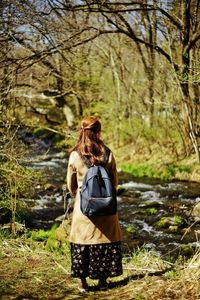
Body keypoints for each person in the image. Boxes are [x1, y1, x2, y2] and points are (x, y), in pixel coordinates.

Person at [67, 116, 122, 292]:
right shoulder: (108, 153)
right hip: (107, 209)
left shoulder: (75, 155)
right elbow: (114, 183)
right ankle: (103, 281)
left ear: (82, 132)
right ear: (98, 131)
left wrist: (79, 196)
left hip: (84, 210)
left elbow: (71, 185)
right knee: (105, 242)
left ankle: (82, 283)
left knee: (82, 242)